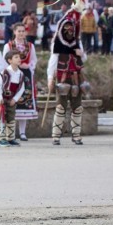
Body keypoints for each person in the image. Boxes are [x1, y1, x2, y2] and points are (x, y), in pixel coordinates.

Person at [47, 14, 88, 146]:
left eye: (71, 28)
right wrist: (49, 78)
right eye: (66, 28)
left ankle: (76, 135)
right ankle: (56, 136)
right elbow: (52, 61)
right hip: (62, 77)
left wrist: (82, 54)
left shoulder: (77, 41)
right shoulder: (57, 42)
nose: (69, 30)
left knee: (77, 107)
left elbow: (83, 59)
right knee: (60, 107)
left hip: (76, 77)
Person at [3, 23, 38, 141]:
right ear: (14, 32)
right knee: (13, 103)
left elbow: (34, 60)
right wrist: (14, 65)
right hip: (13, 75)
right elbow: (4, 61)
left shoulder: (30, 46)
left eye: (23, 31)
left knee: (24, 103)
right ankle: (10, 131)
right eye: (19, 31)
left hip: (26, 75)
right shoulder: (8, 45)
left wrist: (28, 65)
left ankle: (22, 132)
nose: (21, 33)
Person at [0, 49, 25, 147]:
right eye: (16, 57)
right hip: (3, 99)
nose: (19, 59)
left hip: (12, 100)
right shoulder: (4, 72)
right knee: (2, 117)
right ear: (9, 60)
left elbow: (21, 88)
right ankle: (1, 138)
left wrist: (15, 99)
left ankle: (11, 138)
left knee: (11, 118)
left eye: (19, 57)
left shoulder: (20, 74)